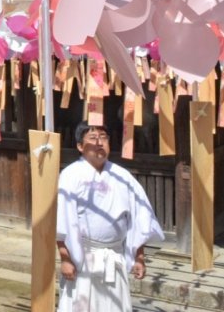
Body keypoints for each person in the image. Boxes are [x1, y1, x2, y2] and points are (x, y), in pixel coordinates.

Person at [56, 122, 164, 311]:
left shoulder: (123, 177)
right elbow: (60, 221)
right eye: (92, 138)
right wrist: (65, 258)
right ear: (80, 146)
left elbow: (140, 217)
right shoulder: (70, 176)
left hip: (114, 255)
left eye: (103, 138)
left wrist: (139, 257)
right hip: (82, 257)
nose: (99, 143)